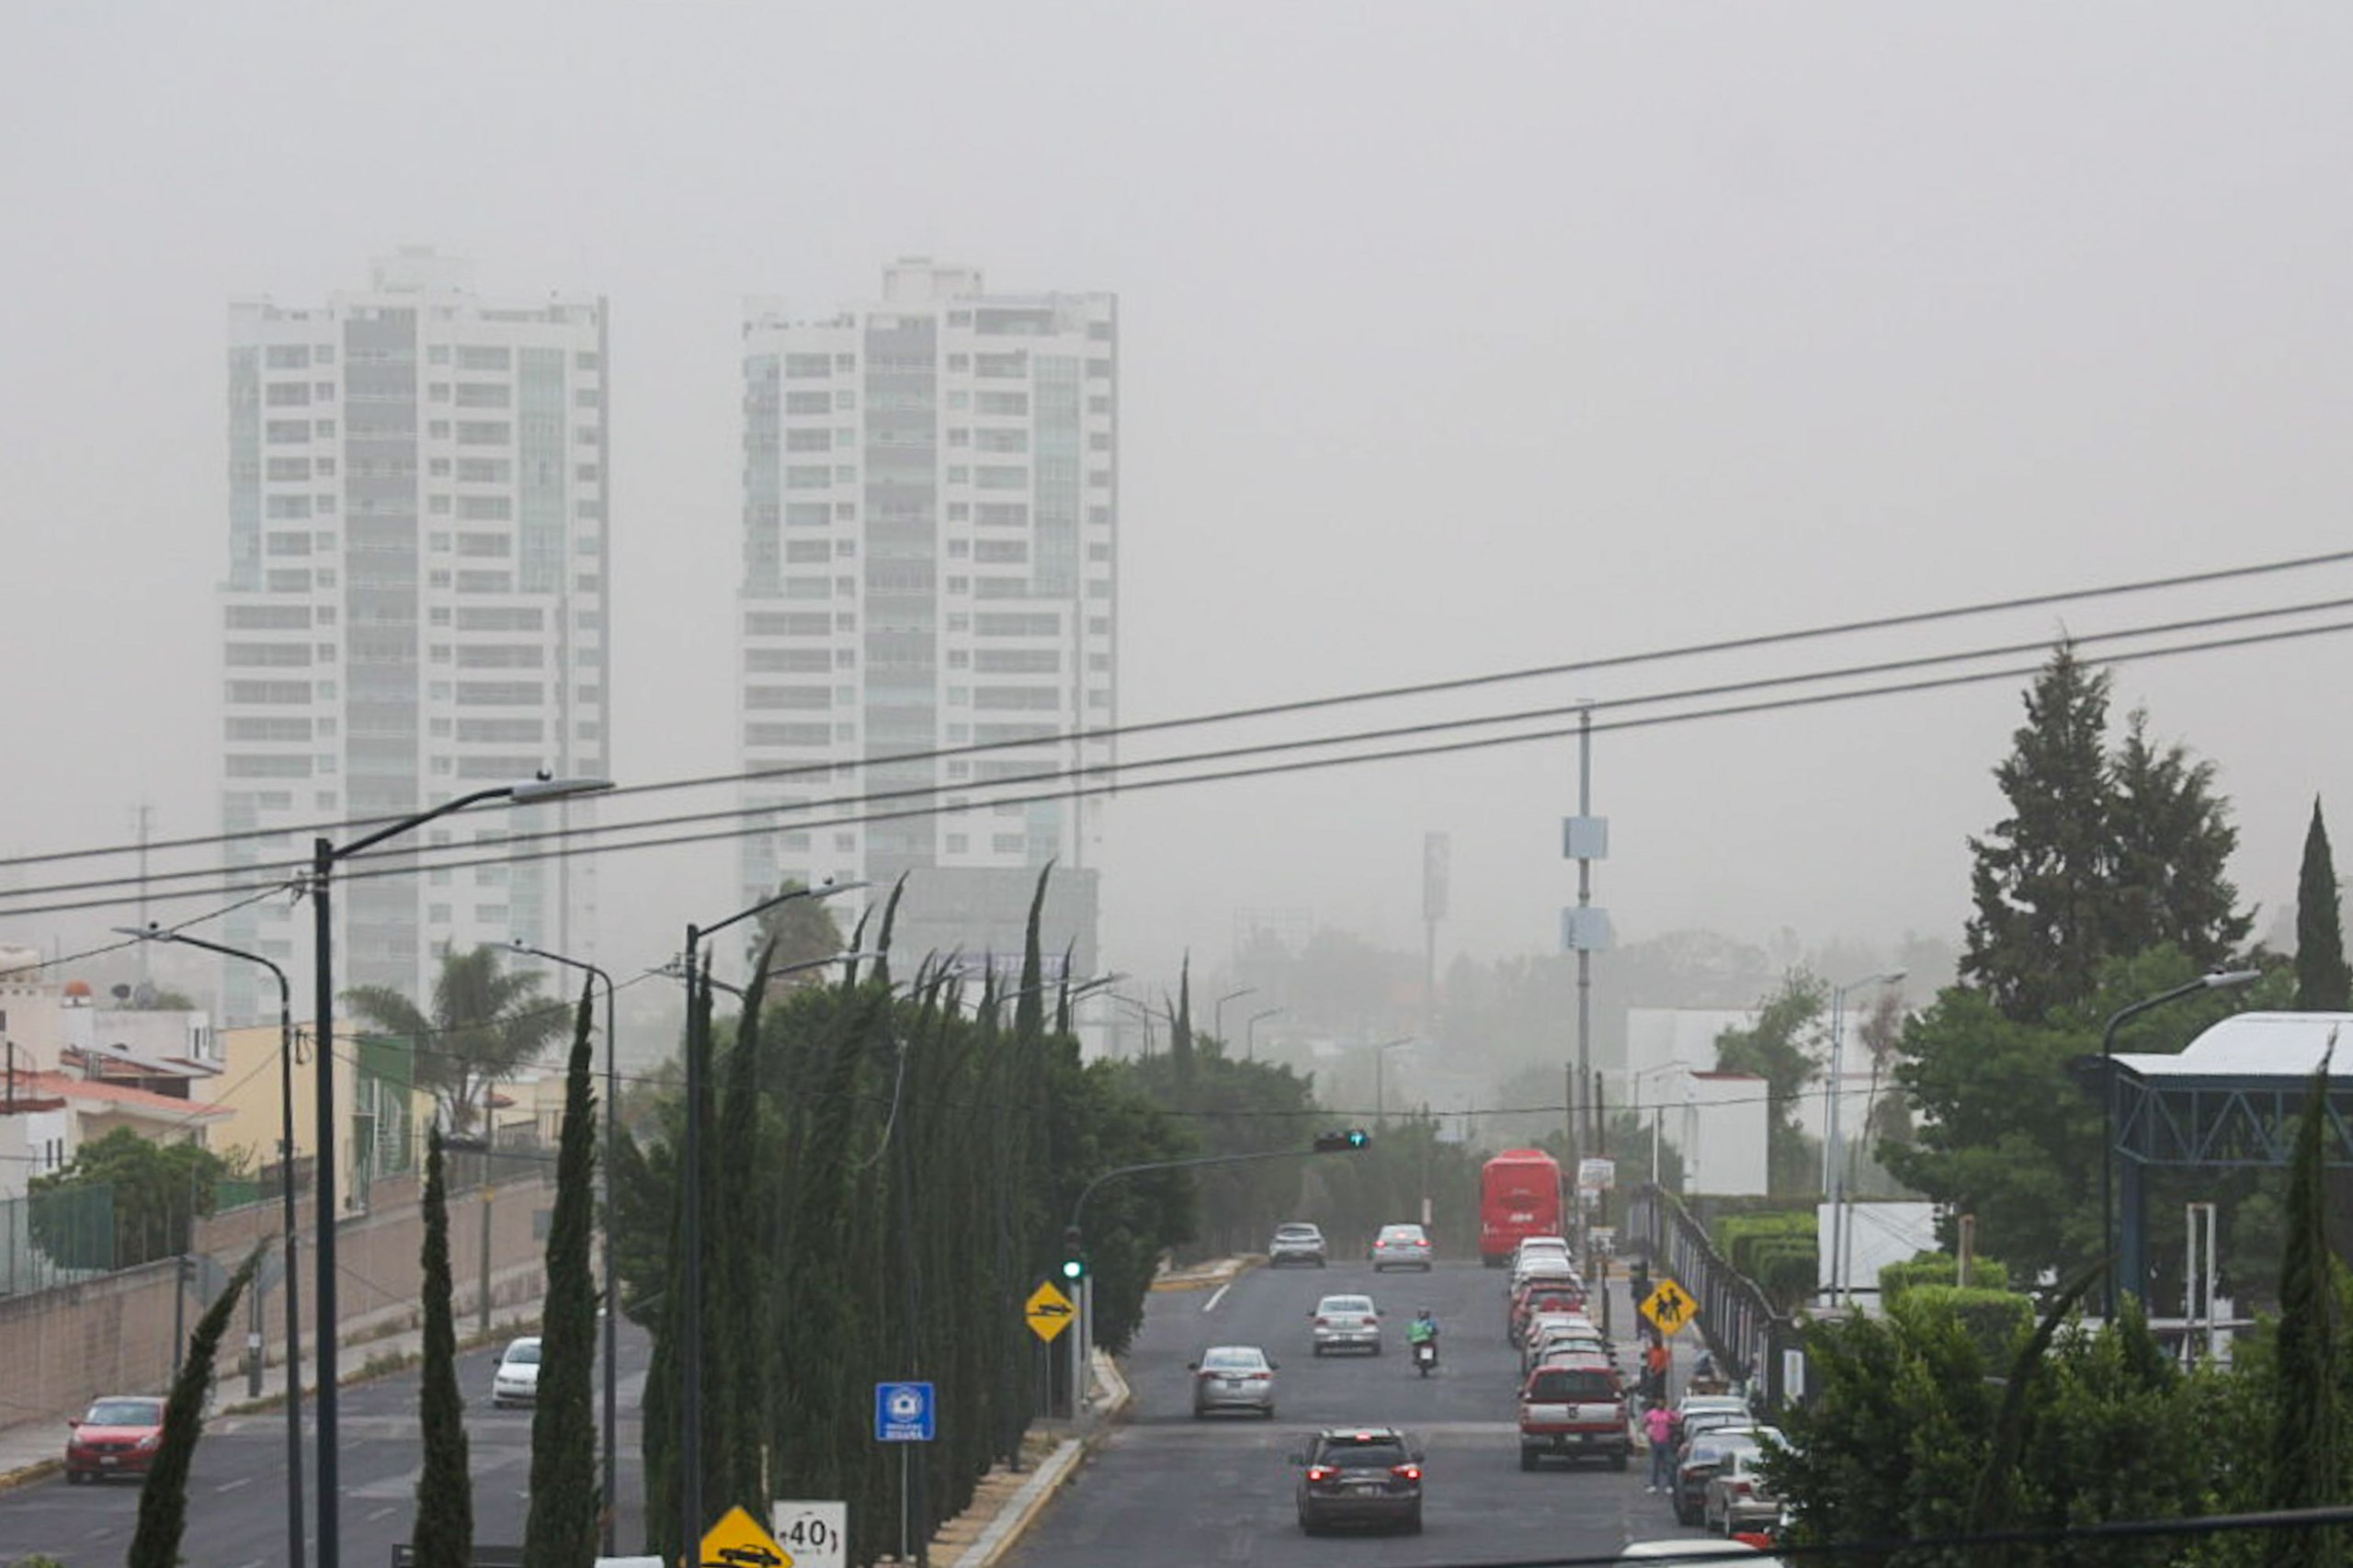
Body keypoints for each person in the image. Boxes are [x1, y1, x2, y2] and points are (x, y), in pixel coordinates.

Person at [1643, 1401, 1677, 1494]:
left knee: (1668, 1464)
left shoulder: (1668, 1413)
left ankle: (1669, 1485)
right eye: (1659, 1402)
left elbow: (1677, 1419)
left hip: (1666, 1442)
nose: (1660, 1404)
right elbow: (1645, 1422)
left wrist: (1671, 1426)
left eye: (1662, 1402)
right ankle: (1654, 1485)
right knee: (1655, 1465)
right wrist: (1649, 1432)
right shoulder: (1651, 1413)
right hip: (1655, 1442)